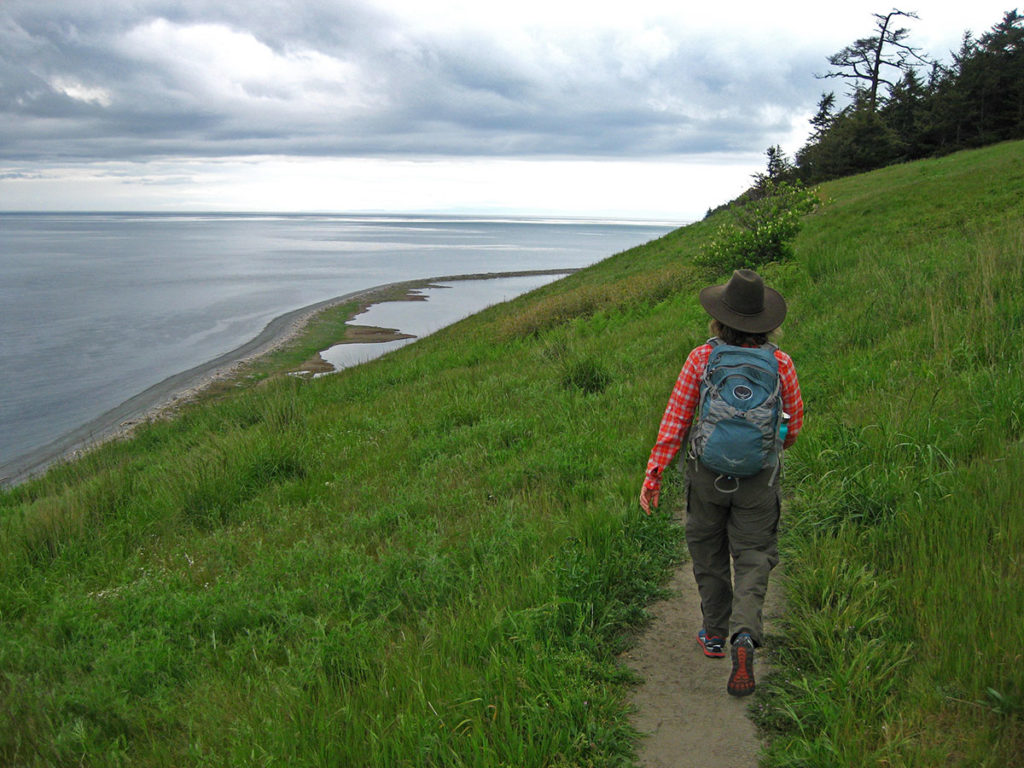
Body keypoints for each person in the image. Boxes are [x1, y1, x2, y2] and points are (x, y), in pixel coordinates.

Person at [639, 269, 803, 697]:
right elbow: (795, 426)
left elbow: (676, 420)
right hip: (758, 481)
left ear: (719, 318)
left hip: (707, 476)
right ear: (766, 322)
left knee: (708, 551)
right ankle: (744, 636)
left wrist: (654, 473)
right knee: (753, 556)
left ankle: (713, 634)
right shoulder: (781, 363)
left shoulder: (701, 358)